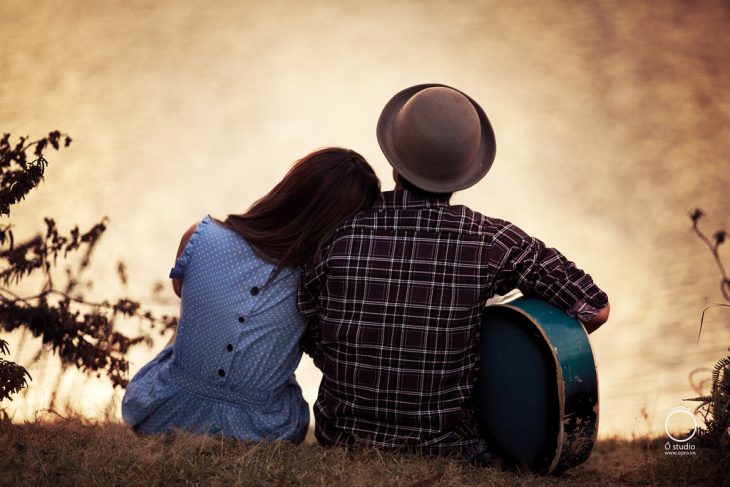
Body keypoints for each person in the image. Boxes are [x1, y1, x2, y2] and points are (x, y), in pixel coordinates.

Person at [298, 84, 610, 463]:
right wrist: (497, 345)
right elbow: (594, 307)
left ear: (395, 161)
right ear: (466, 173)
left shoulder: (339, 231)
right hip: (449, 451)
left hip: (342, 440)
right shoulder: (492, 241)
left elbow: (310, 328)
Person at [122, 148, 381, 442]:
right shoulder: (315, 281)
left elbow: (183, 293)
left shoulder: (199, 236)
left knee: (189, 323)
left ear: (289, 189)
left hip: (163, 412)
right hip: (262, 430)